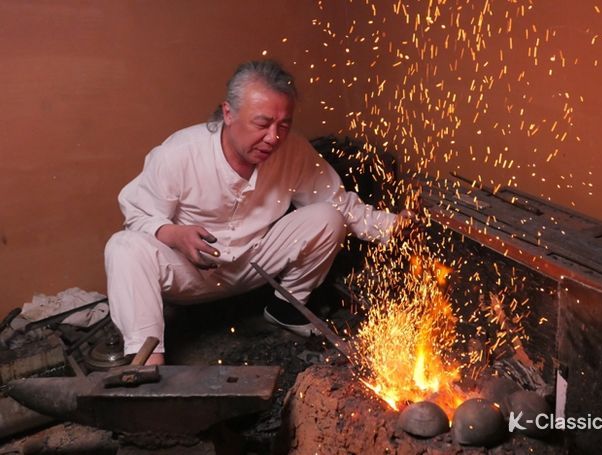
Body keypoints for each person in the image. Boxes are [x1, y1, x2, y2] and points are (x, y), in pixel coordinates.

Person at [105, 60, 404, 365]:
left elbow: (340, 203)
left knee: (329, 217)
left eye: (283, 125)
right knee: (123, 247)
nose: (274, 137)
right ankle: (147, 364)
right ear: (228, 113)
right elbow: (138, 215)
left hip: (255, 264)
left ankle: (286, 308)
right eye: (262, 124)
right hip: (193, 271)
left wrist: (396, 227)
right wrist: (174, 235)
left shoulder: (292, 150)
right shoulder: (179, 153)